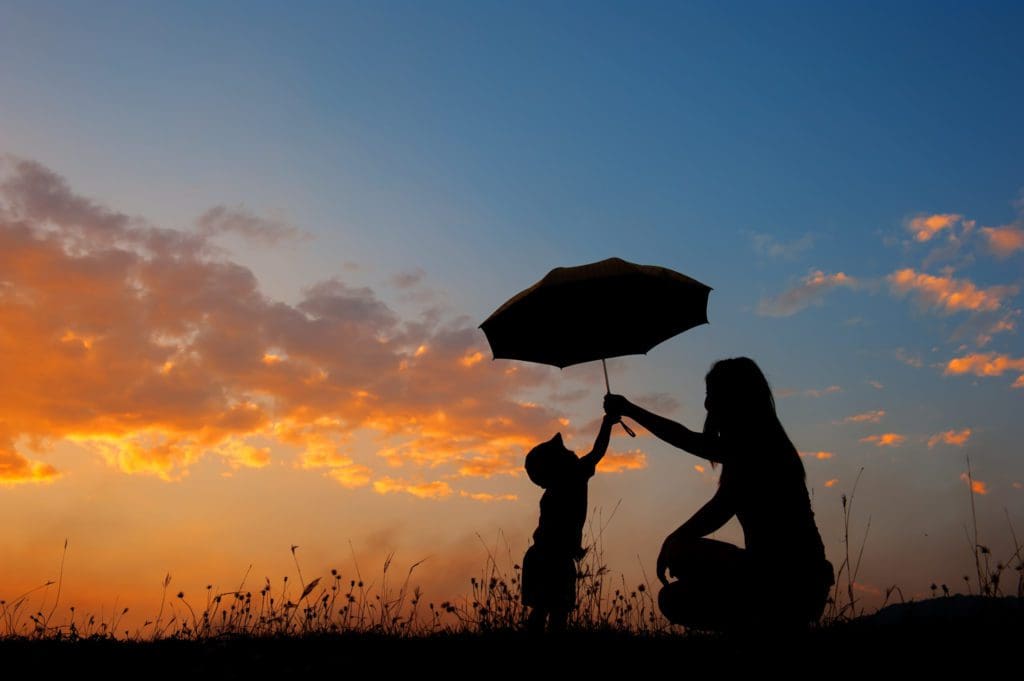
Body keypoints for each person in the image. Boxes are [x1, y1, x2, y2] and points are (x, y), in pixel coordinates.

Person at [604, 357, 834, 632]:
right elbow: (687, 438)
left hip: (789, 583)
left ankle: (761, 624)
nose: (707, 404)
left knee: (678, 571)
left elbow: (722, 506)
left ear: (736, 398)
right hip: (791, 579)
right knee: (675, 591)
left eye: (712, 395)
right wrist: (630, 409)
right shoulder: (758, 442)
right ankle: (759, 624)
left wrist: (673, 539)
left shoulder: (761, 449)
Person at [521, 413, 615, 633]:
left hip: (543, 556)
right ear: (556, 465)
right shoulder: (573, 476)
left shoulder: (561, 483)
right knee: (556, 612)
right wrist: (607, 423)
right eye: (564, 452)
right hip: (553, 557)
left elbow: (596, 452)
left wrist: (607, 422)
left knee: (544, 609)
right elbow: (598, 451)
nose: (571, 452)